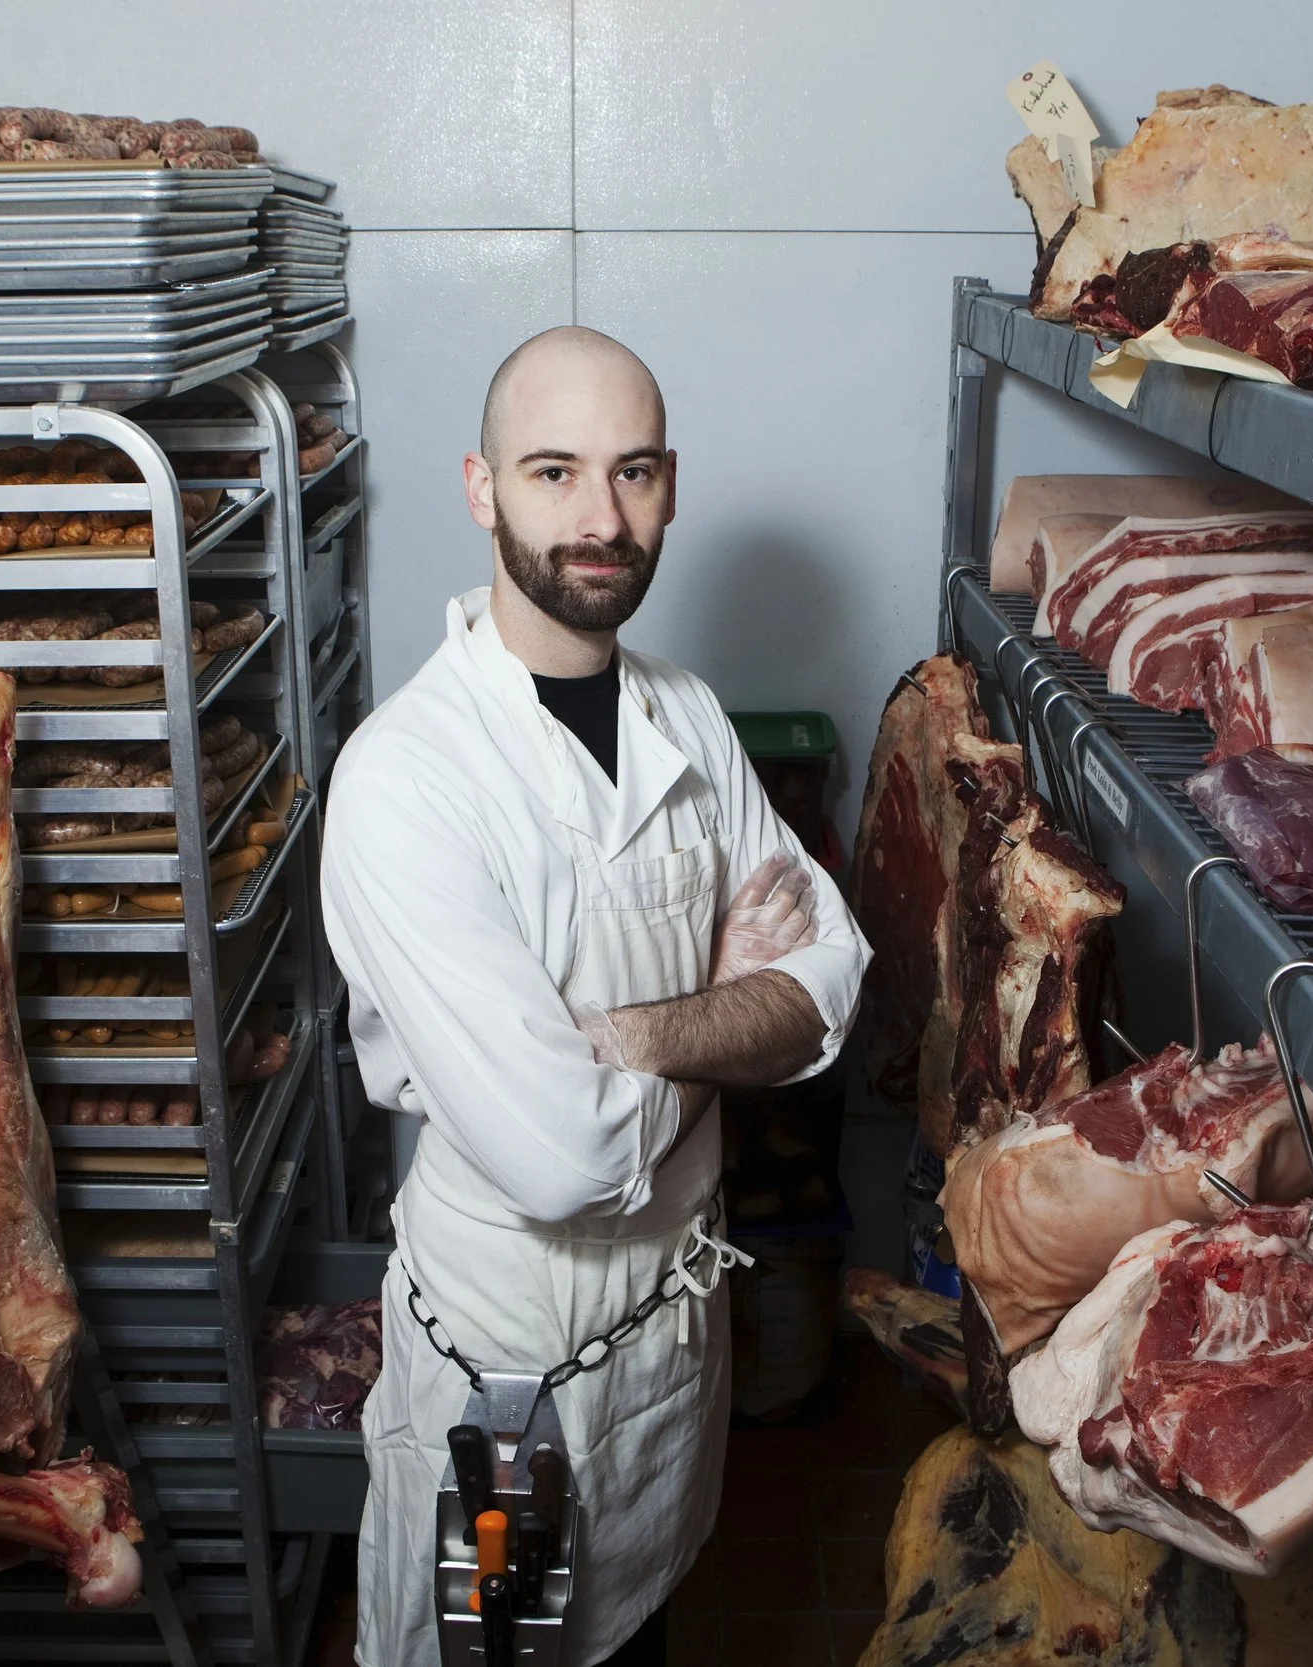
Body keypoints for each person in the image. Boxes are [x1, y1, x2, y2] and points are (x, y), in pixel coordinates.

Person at [320, 326, 871, 1666]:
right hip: (508, 1390)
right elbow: (563, 1156)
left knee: (636, 1634)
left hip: (670, 1344)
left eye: (632, 474)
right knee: (502, 1651)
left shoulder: (688, 718)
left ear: (671, 486)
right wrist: (731, 1011)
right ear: (480, 486)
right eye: (554, 472)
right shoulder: (408, 780)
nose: (599, 519)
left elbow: (836, 979)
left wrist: (634, 1034)